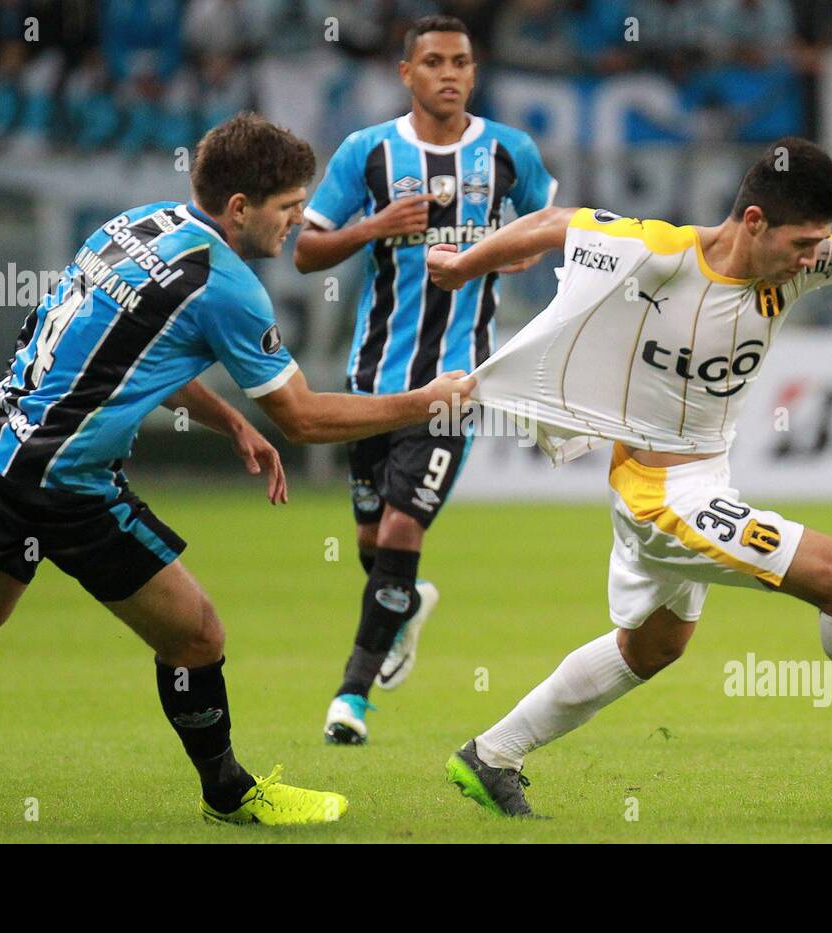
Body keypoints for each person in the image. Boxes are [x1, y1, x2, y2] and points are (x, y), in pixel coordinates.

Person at [0, 112, 474, 827]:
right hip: (63, 479)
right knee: (197, 633)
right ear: (240, 209)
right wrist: (421, 401)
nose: (297, 222)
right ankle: (231, 794)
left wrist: (228, 418)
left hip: (4, 441)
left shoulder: (136, 226)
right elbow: (302, 417)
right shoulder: (225, 283)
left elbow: (130, 348)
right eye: (289, 207)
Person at [426, 137, 832, 817]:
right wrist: (461, 266)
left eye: (822, 243)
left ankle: (490, 754)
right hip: (660, 493)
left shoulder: (798, 267)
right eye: (804, 242)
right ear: (755, 222)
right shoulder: (658, 253)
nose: (815, 256)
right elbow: (551, 224)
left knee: (653, 647)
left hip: (703, 481)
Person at [293, 15, 557, 744]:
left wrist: (515, 251)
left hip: (453, 384)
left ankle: (351, 698)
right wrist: (375, 227)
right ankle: (403, 604)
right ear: (406, 73)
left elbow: (550, 224)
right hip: (372, 381)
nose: (450, 73)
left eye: (462, 62)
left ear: (475, 72)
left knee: (406, 524)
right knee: (373, 545)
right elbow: (307, 252)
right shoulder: (366, 152)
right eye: (434, 61)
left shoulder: (510, 151)